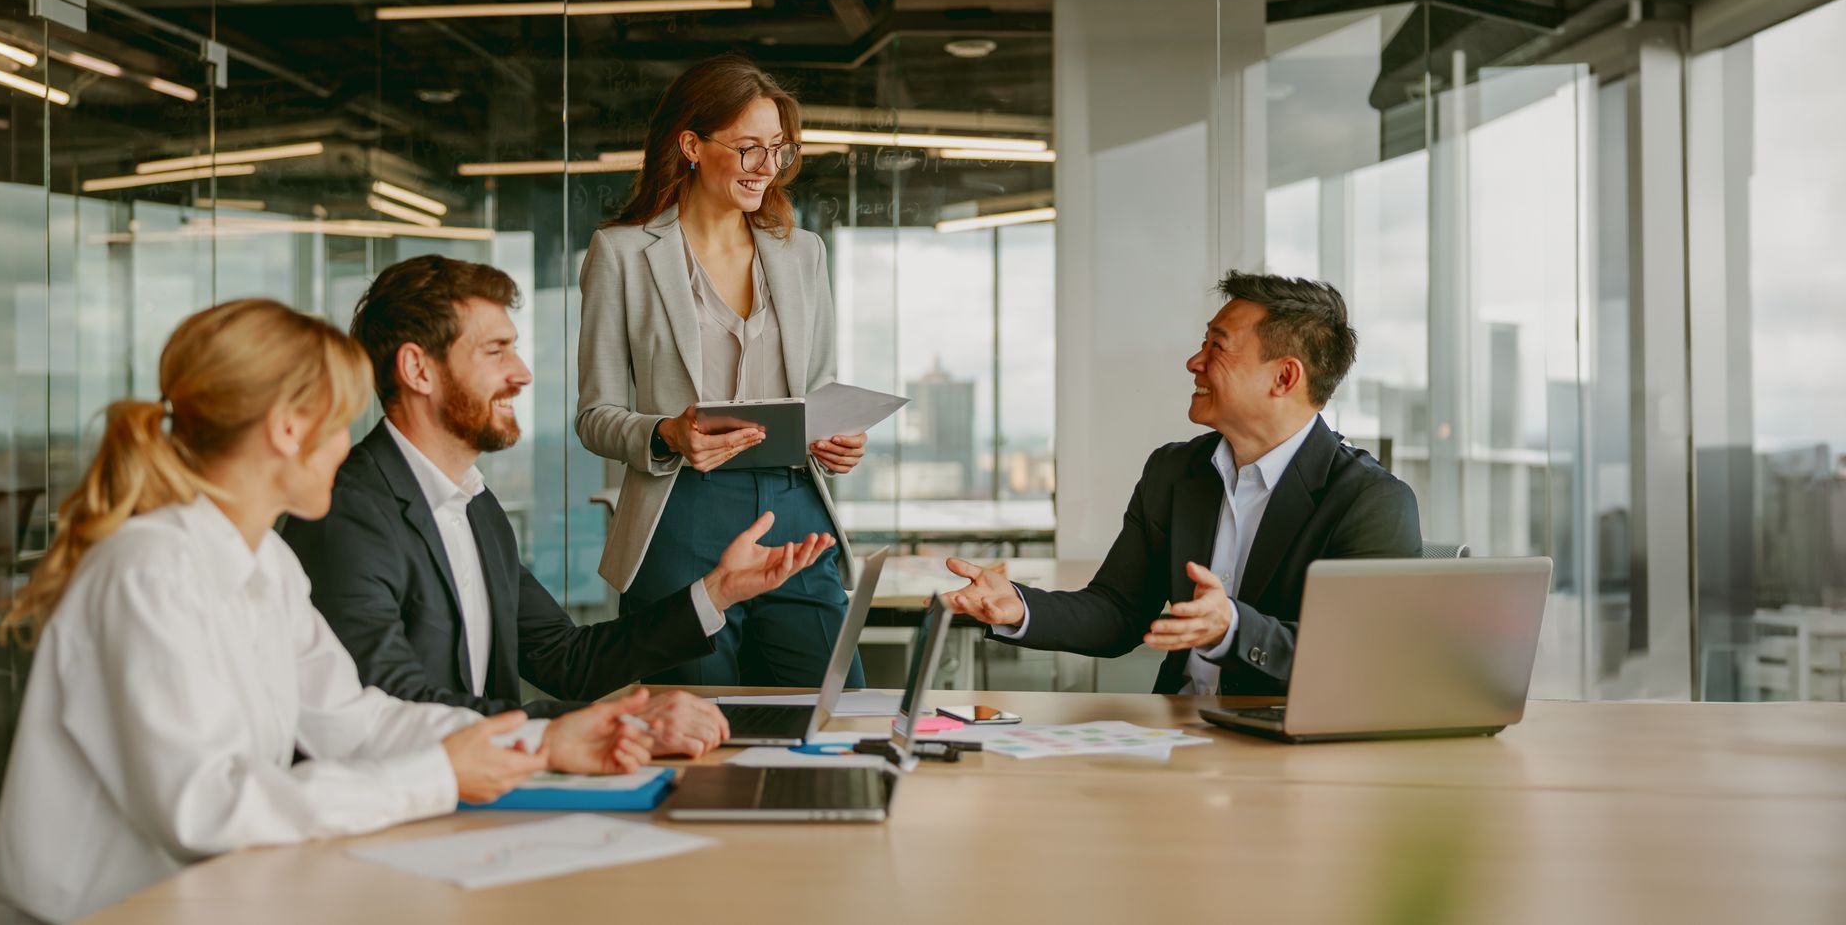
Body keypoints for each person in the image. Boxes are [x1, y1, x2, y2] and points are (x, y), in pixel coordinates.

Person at [0, 300, 651, 925]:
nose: (347, 449)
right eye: (340, 425)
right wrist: (440, 773)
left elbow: (355, 721)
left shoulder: (267, 562)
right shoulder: (148, 569)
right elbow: (208, 808)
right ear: (287, 428)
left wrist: (538, 744)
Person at [283, 255, 835, 756]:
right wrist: (617, 726)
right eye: (496, 351)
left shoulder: (474, 505)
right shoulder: (346, 514)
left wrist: (718, 591)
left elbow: (566, 660)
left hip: (485, 797)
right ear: (418, 369)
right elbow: (397, 707)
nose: (522, 373)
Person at [941, 272, 1421, 696]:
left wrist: (1233, 629)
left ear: (1284, 377)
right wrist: (1021, 607)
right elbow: (1119, 612)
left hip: (1287, 752)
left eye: (1217, 347)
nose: (1195, 361)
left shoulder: (1372, 501)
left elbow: (1360, 660)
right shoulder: (1174, 471)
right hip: (1177, 736)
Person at [577, 53, 867, 688]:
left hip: (796, 509)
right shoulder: (622, 254)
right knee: (698, 726)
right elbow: (595, 418)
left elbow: (818, 389)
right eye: (748, 149)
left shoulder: (801, 253)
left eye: (779, 150)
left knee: (835, 711)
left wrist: (837, 438)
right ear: (691, 145)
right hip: (680, 511)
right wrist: (667, 434)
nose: (768, 168)